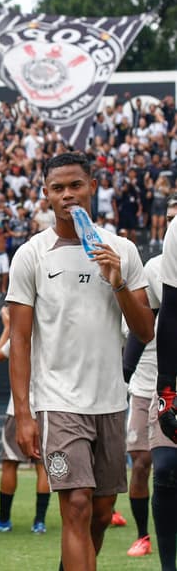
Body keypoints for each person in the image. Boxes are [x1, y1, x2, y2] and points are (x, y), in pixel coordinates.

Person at [8, 152, 153, 571]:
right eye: (58, 188)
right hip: (58, 401)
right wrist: (24, 414)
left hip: (110, 400)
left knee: (103, 511)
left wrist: (118, 279)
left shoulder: (121, 249)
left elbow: (145, 331)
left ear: (93, 185)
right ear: (46, 195)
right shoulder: (31, 254)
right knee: (75, 505)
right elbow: (19, 339)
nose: (68, 195)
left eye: (76, 185)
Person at [0, 306, 51, 534]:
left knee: (10, 463)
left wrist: (8, 326)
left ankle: (3, 519)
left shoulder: (24, 334)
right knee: (43, 466)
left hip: (19, 409)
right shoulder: (52, 335)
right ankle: (39, 522)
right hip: (47, 407)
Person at [139, 194, 177, 570]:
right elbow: (167, 314)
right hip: (172, 376)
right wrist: (166, 388)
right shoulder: (174, 238)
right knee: (163, 469)